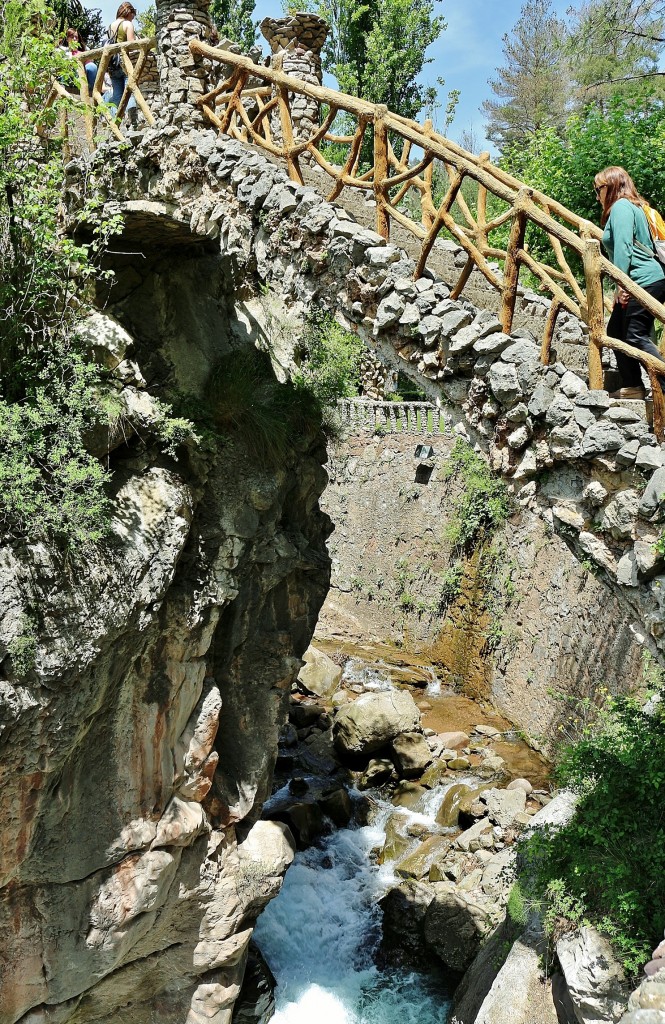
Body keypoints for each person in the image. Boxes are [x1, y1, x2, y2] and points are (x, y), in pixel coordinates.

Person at [594, 165, 665, 399]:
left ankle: (662, 384)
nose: (597, 195)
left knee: (635, 335)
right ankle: (633, 385)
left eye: (598, 188)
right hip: (643, 279)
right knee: (616, 330)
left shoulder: (621, 207)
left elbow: (624, 248)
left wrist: (621, 285)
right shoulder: (633, 207)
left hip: (643, 279)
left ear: (612, 186)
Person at [103, 3, 137, 118]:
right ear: (129, 12)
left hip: (112, 64)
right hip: (124, 63)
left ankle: (114, 125)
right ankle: (132, 123)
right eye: (133, 16)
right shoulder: (127, 24)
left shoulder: (110, 25)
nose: (133, 19)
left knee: (117, 95)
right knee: (130, 92)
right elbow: (132, 46)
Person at [58, 27, 98, 95]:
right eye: (72, 36)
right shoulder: (62, 50)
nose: (74, 39)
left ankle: (91, 91)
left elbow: (90, 65)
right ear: (67, 38)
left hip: (81, 78)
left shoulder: (83, 52)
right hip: (68, 78)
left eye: (76, 37)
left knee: (92, 66)